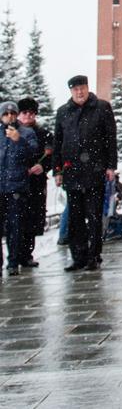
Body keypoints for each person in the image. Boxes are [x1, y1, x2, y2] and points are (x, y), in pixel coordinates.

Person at [53, 76, 117, 272]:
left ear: (87, 88)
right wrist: (57, 170)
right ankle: (78, 256)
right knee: (75, 217)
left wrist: (110, 166)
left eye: (82, 88)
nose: (79, 92)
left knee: (94, 216)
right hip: (72, 172)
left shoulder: (101, 107)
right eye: (75, 89)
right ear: (71, 91)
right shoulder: (63, 112)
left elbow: (110, 139)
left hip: (95, 171)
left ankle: (93, 255)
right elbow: (58, 142)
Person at [0, 101, 38, 277]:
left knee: (15, 227)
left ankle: (13, 262)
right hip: (1, 186)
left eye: (12, 114)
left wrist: (18, 141)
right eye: (6, 114)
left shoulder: (26, 133)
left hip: (16, 187)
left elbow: (32, 153)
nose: (9, 117)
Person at [17, 97, 53, 268]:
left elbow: (53, 155)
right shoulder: (11, 132)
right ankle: (14, 255)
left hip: (36, 183)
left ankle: (26, 254)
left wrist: (43, 165)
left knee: (31, 220)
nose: (28, 117)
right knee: (15, 220)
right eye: (24, 113)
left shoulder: (44, 134)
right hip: (16, 183)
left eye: (31, 113)